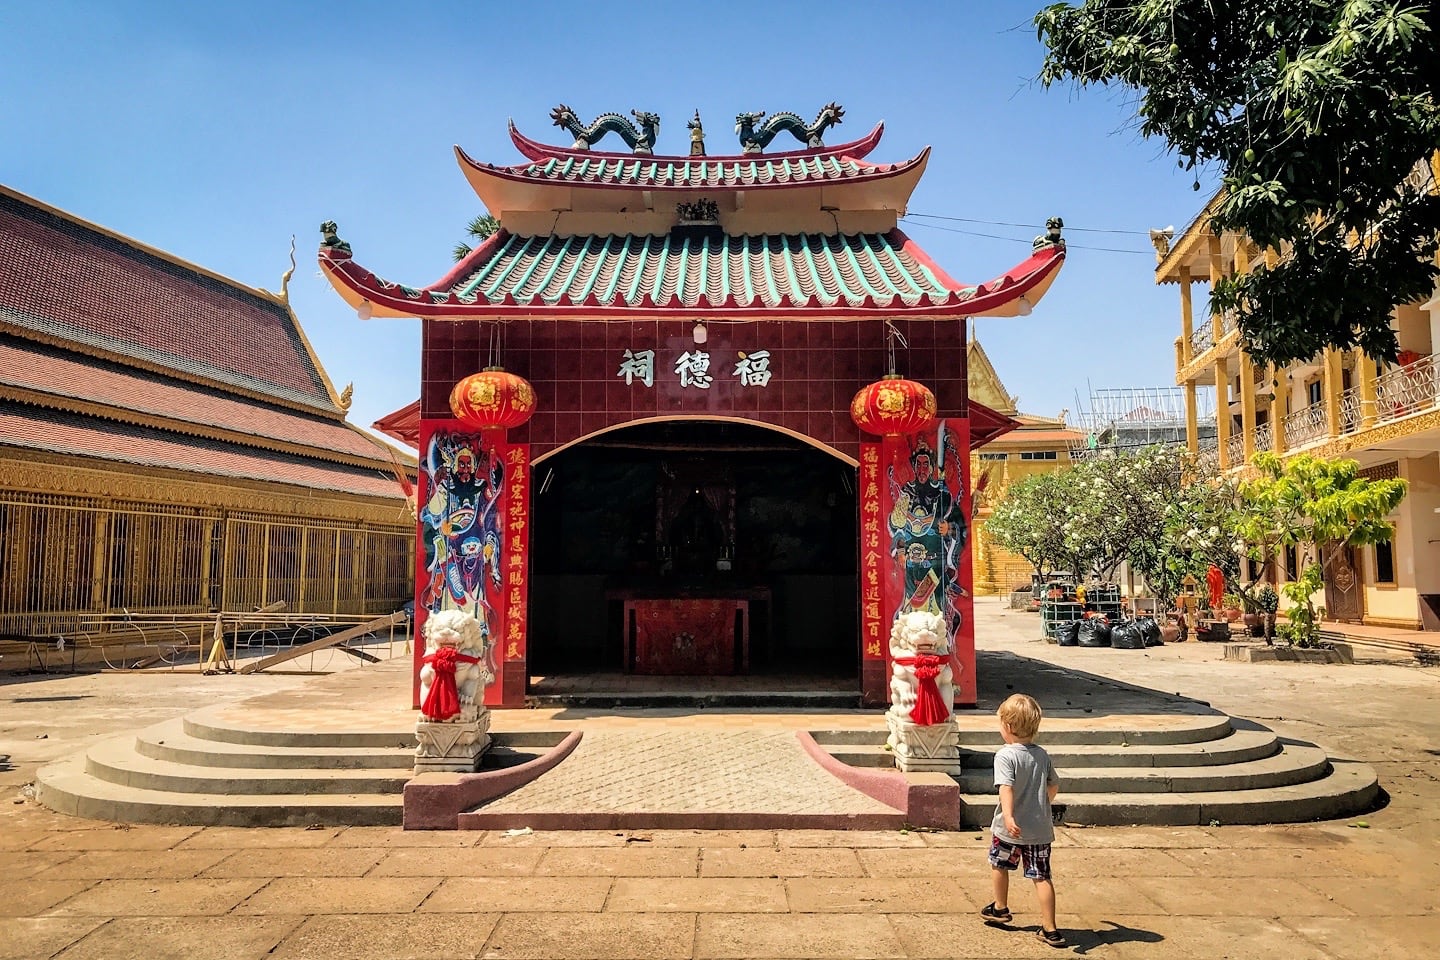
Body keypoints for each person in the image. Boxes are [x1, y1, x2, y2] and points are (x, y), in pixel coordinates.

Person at [980, 693, 1065, 948]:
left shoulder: (1005, 756)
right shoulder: (1041, 754)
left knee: (1000, 864)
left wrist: (1008, 815)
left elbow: (1005, 787)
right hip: (1039, 828)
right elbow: (1053, 785)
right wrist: (1042, 806)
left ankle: (1000, 907)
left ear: (1007, 727)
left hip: (1010, 829)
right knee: (1041, 877)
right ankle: (1050, 929)